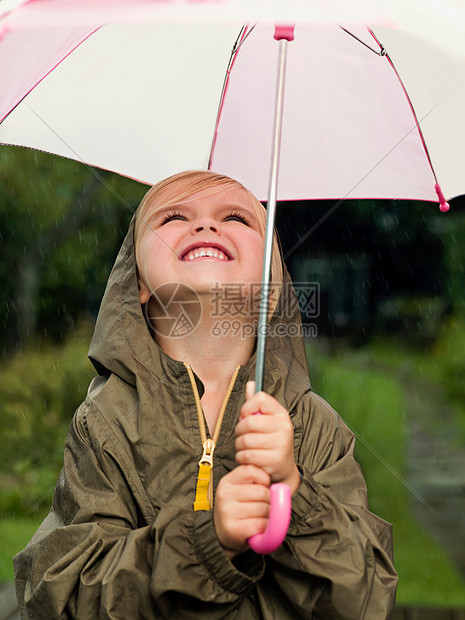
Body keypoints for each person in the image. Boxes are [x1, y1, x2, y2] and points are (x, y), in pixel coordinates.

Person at [14, 170, 398, 618]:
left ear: (270, 289)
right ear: (136, 283)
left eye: (235, 216)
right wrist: (204, 542)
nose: (205, 225)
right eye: (174, 216)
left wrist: (294, 492)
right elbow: (61, 593)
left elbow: (365, 600)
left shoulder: (312, 427)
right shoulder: (105, 424)